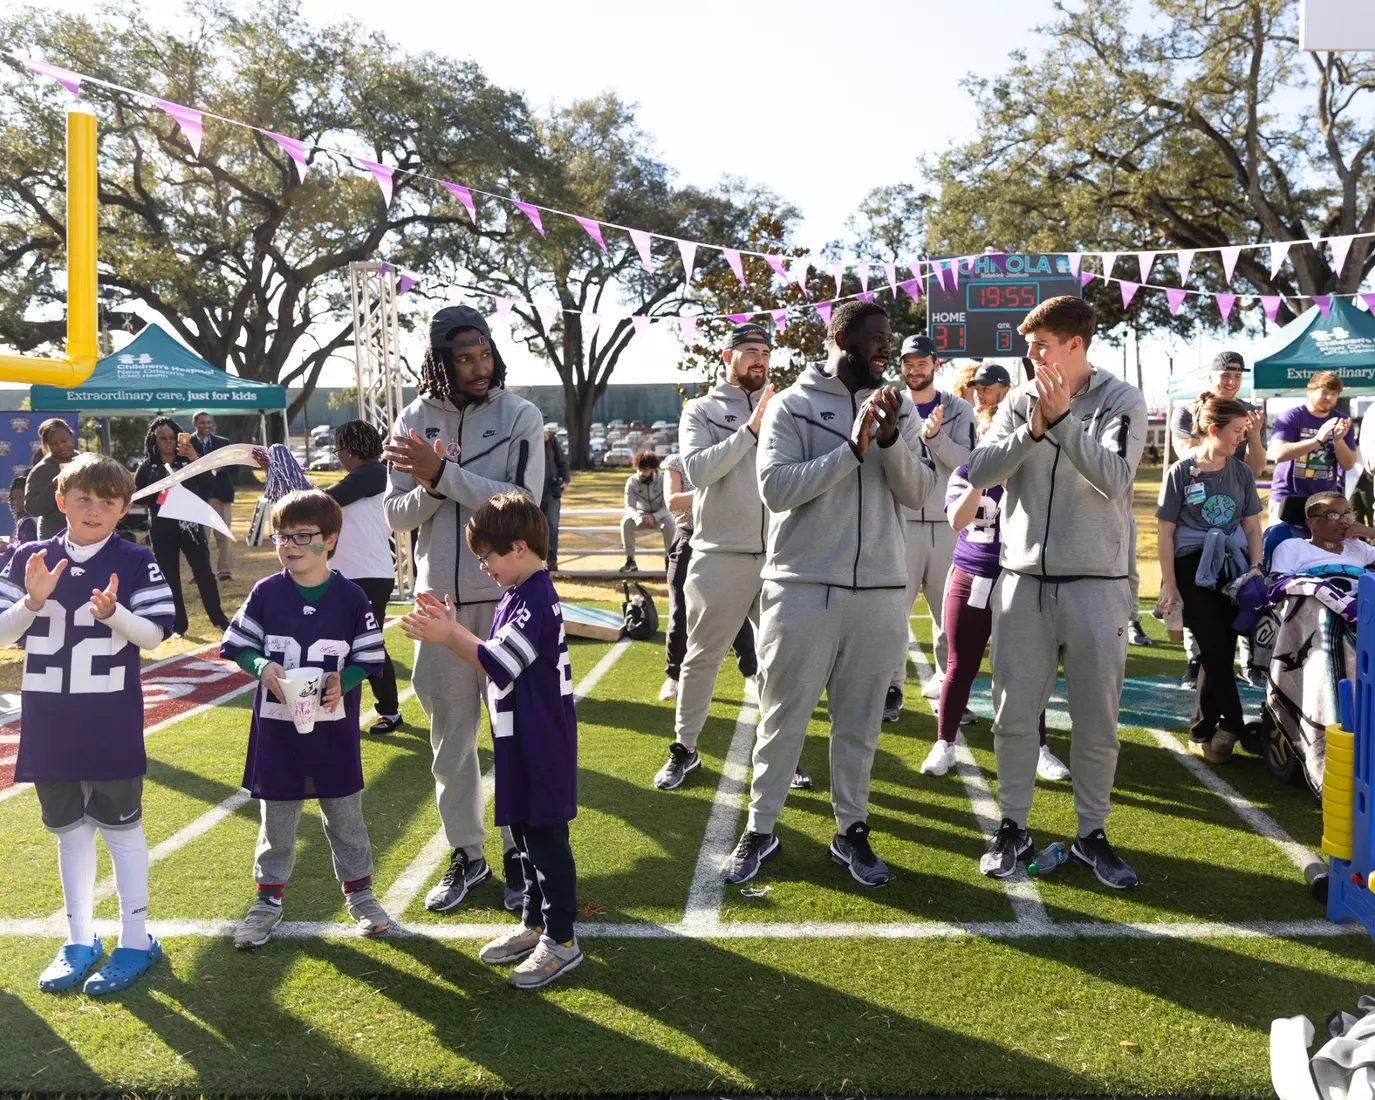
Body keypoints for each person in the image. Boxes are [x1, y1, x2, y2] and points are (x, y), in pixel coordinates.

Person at [722, 301, 935, 887]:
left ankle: (851, 830)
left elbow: (920, 493)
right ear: (840, 338)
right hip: (801, 587)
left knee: (860, 725)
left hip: (880, 592)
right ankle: (760, 828)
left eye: (888, 338)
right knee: (782, 717)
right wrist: (852, 450)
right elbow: (775, 489)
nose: (887, 348)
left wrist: (890, 441)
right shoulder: (792, 403)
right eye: (875, 338)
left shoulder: (898, 407)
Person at [967, 295, 1146, 890]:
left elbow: (1115, 478)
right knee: (1013, 716)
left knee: (1097, 723)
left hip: (1097, 585)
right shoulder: (1019, 399)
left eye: (1041, 346)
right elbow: (980, 471)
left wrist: (1064, 421)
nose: (1032, 357)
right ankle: (1012, 826)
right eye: (1028, 347)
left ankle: (1092, 833)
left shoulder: (1121, 399)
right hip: (1021, 582)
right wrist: (1034, 429)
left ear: (1075, 345)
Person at [383, 303, 545, 914]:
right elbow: (395, 515)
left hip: (507, 602)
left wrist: (444, 473)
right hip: (438, 609)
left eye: (485, 355)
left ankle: (519, 854)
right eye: (464, 359)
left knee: (513, 740)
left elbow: (525, 503)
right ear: (439, 362)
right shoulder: (413, 418)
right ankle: (467, 855)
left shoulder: (520, 414)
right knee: (450, 744)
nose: (479, 368)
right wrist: (430, 482)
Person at [0, 455, 175, 993]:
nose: (94, 509)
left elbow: (154, 636)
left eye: (107, 501)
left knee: (121, 829)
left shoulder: (135, 558)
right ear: (61, 500)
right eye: (84, 499)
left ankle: (136, 939)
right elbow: (3, 634)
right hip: (49, 717)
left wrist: (114, 614)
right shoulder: (30, 555)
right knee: (69, 831)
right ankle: (79, 939)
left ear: (124, 508)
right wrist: (33, 600)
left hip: (108, 716)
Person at [401, 492, 582, 989]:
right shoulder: (517, 595)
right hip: (519, 735)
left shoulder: (535, 597)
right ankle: (535, 923)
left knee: (545, 842)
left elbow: (500, 663)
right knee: (524, 838)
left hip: (541, 739)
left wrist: (448, 635)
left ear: (519, 548)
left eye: (487, 556)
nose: (484, 567)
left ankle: (562, 940)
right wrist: (454, 628)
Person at [221, 490, 391, 948]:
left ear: (330, 539)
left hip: (333, 731)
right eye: (282, 536)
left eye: (302, 536)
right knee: (276, 824)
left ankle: (360, 895)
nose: (290, 545)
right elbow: (239, 645)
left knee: (345, 818)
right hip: (278, 731)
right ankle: (267, 900)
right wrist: (261, 666)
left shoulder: (351, 596)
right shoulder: (266, 592)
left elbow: (370, 657)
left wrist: (344, 681)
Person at [651, 323, 811, 792]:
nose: (760, 359)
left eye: (765, 351)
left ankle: (781, 755)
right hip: (719, 554)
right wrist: (749, 430)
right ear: (727, 357)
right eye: (750, 351)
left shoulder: (786, 406)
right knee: (702, 657)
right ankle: (685, 749)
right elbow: (698, 470)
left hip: (780, 556)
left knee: (779, 663)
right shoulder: (700, 409)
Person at [921, 365, 1069, 782]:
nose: (994, 444)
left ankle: (1039, 747)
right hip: (972, 576)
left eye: (999, 437)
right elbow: (957, 520)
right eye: (987, 437)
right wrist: (982, 480)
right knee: (960, 665)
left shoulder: (1028, 476)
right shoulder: (965, 473)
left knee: (1027, 668)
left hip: (1019, 580)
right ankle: (944, 743)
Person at [1156, 393, 1264, 765]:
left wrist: (1255, 568)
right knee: (1216, 648)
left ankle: (1201, 731)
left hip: (1232, 569)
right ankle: (1235, 723)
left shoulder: (1242, 472)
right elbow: (1165, 532)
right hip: (1190, 568)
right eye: (1236, 431)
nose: (1241, 438)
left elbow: (1252, 527)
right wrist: (1169, 583)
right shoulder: (1181, 472)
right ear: (1213, 430)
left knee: (1217, 651)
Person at [885, 333, 974, 722]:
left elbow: (969, 463)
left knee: (949, 619)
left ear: (936, 364)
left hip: (947, 524)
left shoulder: (959, 409)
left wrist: (936, 439)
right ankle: (891, 690)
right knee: (892, 615)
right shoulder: (891, 403)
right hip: (901, 522)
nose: (914, 369)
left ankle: (950, 691)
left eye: (922, 362)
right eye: (908, 362)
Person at [1169, 351, 1267, 685]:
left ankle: (1246, 662)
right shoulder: (1189, 410)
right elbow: (1188, 456)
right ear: (1210, 377)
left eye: (1237, 376)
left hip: (1235, 516)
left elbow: (1256, 469)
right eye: (1225, 375)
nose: (1231, 381)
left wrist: (1252, 435)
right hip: (1195, 522)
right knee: (1199, 591)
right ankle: (1196, 660)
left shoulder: (1248, 413)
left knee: (1239, 589)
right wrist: (1222, 434)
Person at [658, 447, 756, 703]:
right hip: (687, 537)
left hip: (722, 538)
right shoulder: (677, 461)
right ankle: (673, 676)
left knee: (733, 607)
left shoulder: (726, 457)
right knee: (680, 610)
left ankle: (751, 672)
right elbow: (672, 502)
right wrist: (711, 492)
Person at [325, 420, 402, 735]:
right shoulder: (368, 475)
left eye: (339, 451)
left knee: (368, 645)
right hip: (356, 573)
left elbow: (320, 502)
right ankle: (345, 707)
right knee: (349, 644)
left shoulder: (370, 474)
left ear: (351, 450)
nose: (339, 457)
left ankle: (389, 710)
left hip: (367, 575)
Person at [133, 417, 230, 636]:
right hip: (162, 530)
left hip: (191, 528)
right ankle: (179, 625)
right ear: (154, 440)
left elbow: (210, 483)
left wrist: (195, 458)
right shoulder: (147, 466)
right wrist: (160, 492)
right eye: (162, 438)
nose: (168, 442)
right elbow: (139, 496)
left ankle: (219, 619)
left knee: (204, 573)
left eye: (171, 438)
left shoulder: (190, 460)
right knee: (169, 577)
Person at [1267, 370, 1357, 525]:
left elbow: (1348, 464)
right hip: (1288, 496)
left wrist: (1338, 440)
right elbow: (1277, 454)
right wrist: (1317, 440)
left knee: (1323, 541)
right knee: (1284, 540)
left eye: (1334, 394)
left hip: (1324, 500)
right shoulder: (1292, 417)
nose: (1329, 398)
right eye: (1325, 392)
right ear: (1310, 391)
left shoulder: (1342, 421)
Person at [1272, 491, 1375, 575]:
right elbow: (1278, 586)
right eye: (1333, 515)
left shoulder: (1359, 547)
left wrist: (1373, 534)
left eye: (1347, 515)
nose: (1343, 521)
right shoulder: (1292, 547)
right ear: (1311, 523)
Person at [190, 411, 237, 581]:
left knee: (223, 536)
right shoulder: (187, 444)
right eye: (202, 422)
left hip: (221, 495)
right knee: (200, 538)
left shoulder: (223, 443)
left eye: (208, 422)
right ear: (194, 423)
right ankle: (200, 573)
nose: (206, 426)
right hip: (198, 497)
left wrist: (220, 468)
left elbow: (235, 467)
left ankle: (225, 572)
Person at [619, 451, 675, 573]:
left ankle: (670, 560)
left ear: (653, 469)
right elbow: (629, 506)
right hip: (641, 517)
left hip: (660, 517)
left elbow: (668, 507)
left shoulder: (664, 481)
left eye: (645, 470)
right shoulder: (631, 481)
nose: (641, 473)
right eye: (639, 469)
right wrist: (636, 517)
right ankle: (630, 560)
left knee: (670, 522)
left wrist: (654, 517)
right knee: (625, 522)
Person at [25, 417, 77, 540]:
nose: (61, 446)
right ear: (47, 445)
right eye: (54, 443)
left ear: (71, 437)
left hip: (87, 533)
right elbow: (32, 508)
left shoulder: (86, 461)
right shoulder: (41, 470)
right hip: (53, 535)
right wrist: (56, 484)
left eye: (64, 441)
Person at [540, 425, 569, 570]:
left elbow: (561, 460)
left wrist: (565, 480)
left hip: (551, 488)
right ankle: (536, 563)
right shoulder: (527, 436)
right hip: (533, 489)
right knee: (533, 526)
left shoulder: (551, 440)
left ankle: (552, 561)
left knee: (552, 524)